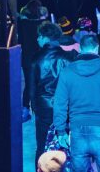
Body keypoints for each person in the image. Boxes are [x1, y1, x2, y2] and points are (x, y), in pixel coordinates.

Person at [52, 31, 100, 172]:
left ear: (80, 49)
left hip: (77, 131)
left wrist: (61, 130)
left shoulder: (67, 72)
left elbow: (59, 104)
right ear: (97, 48)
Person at [28, 21, 74, 161]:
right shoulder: (68, 58)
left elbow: (32, 88)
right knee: (64, 144)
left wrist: (33, 107)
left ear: (46, 37)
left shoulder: (36, 58)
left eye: (39, 36)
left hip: (44, 106)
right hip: (64, 106)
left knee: (42, 145)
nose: (37, 39)